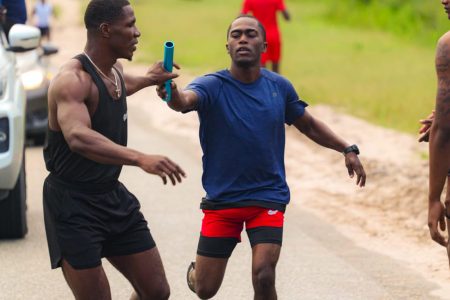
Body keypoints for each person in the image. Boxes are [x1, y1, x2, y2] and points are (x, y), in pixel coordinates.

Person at [157, 15, 366, 300]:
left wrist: (346, 148)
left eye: (251, 34)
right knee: (205, 289)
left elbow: (308, 124)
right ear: (227, 46)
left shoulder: (279, 87)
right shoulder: (211, 85)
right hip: (223, 200)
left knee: (264, 273)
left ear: (264, 45)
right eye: (236, 35)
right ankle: (198, 272)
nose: (243, 39)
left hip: (266, 196)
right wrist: (170, 93)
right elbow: (183, 101)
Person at [43, 0, 186, 299]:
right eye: (130, 25)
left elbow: (119, 85)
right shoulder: (72, 80)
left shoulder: (114, 69)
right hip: (72, 204)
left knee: (156, 292)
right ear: (106, 30)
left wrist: (150, 79)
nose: (137, 33)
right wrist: (139, 157)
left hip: (110, 195)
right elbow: (78, 137)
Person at [241, 0, 290, 73]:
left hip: (259, 35)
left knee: (261, 68)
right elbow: (287, 17)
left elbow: (241, 16)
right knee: (276, 67)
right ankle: (276, 84)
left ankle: (262, 84)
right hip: (274, 36)